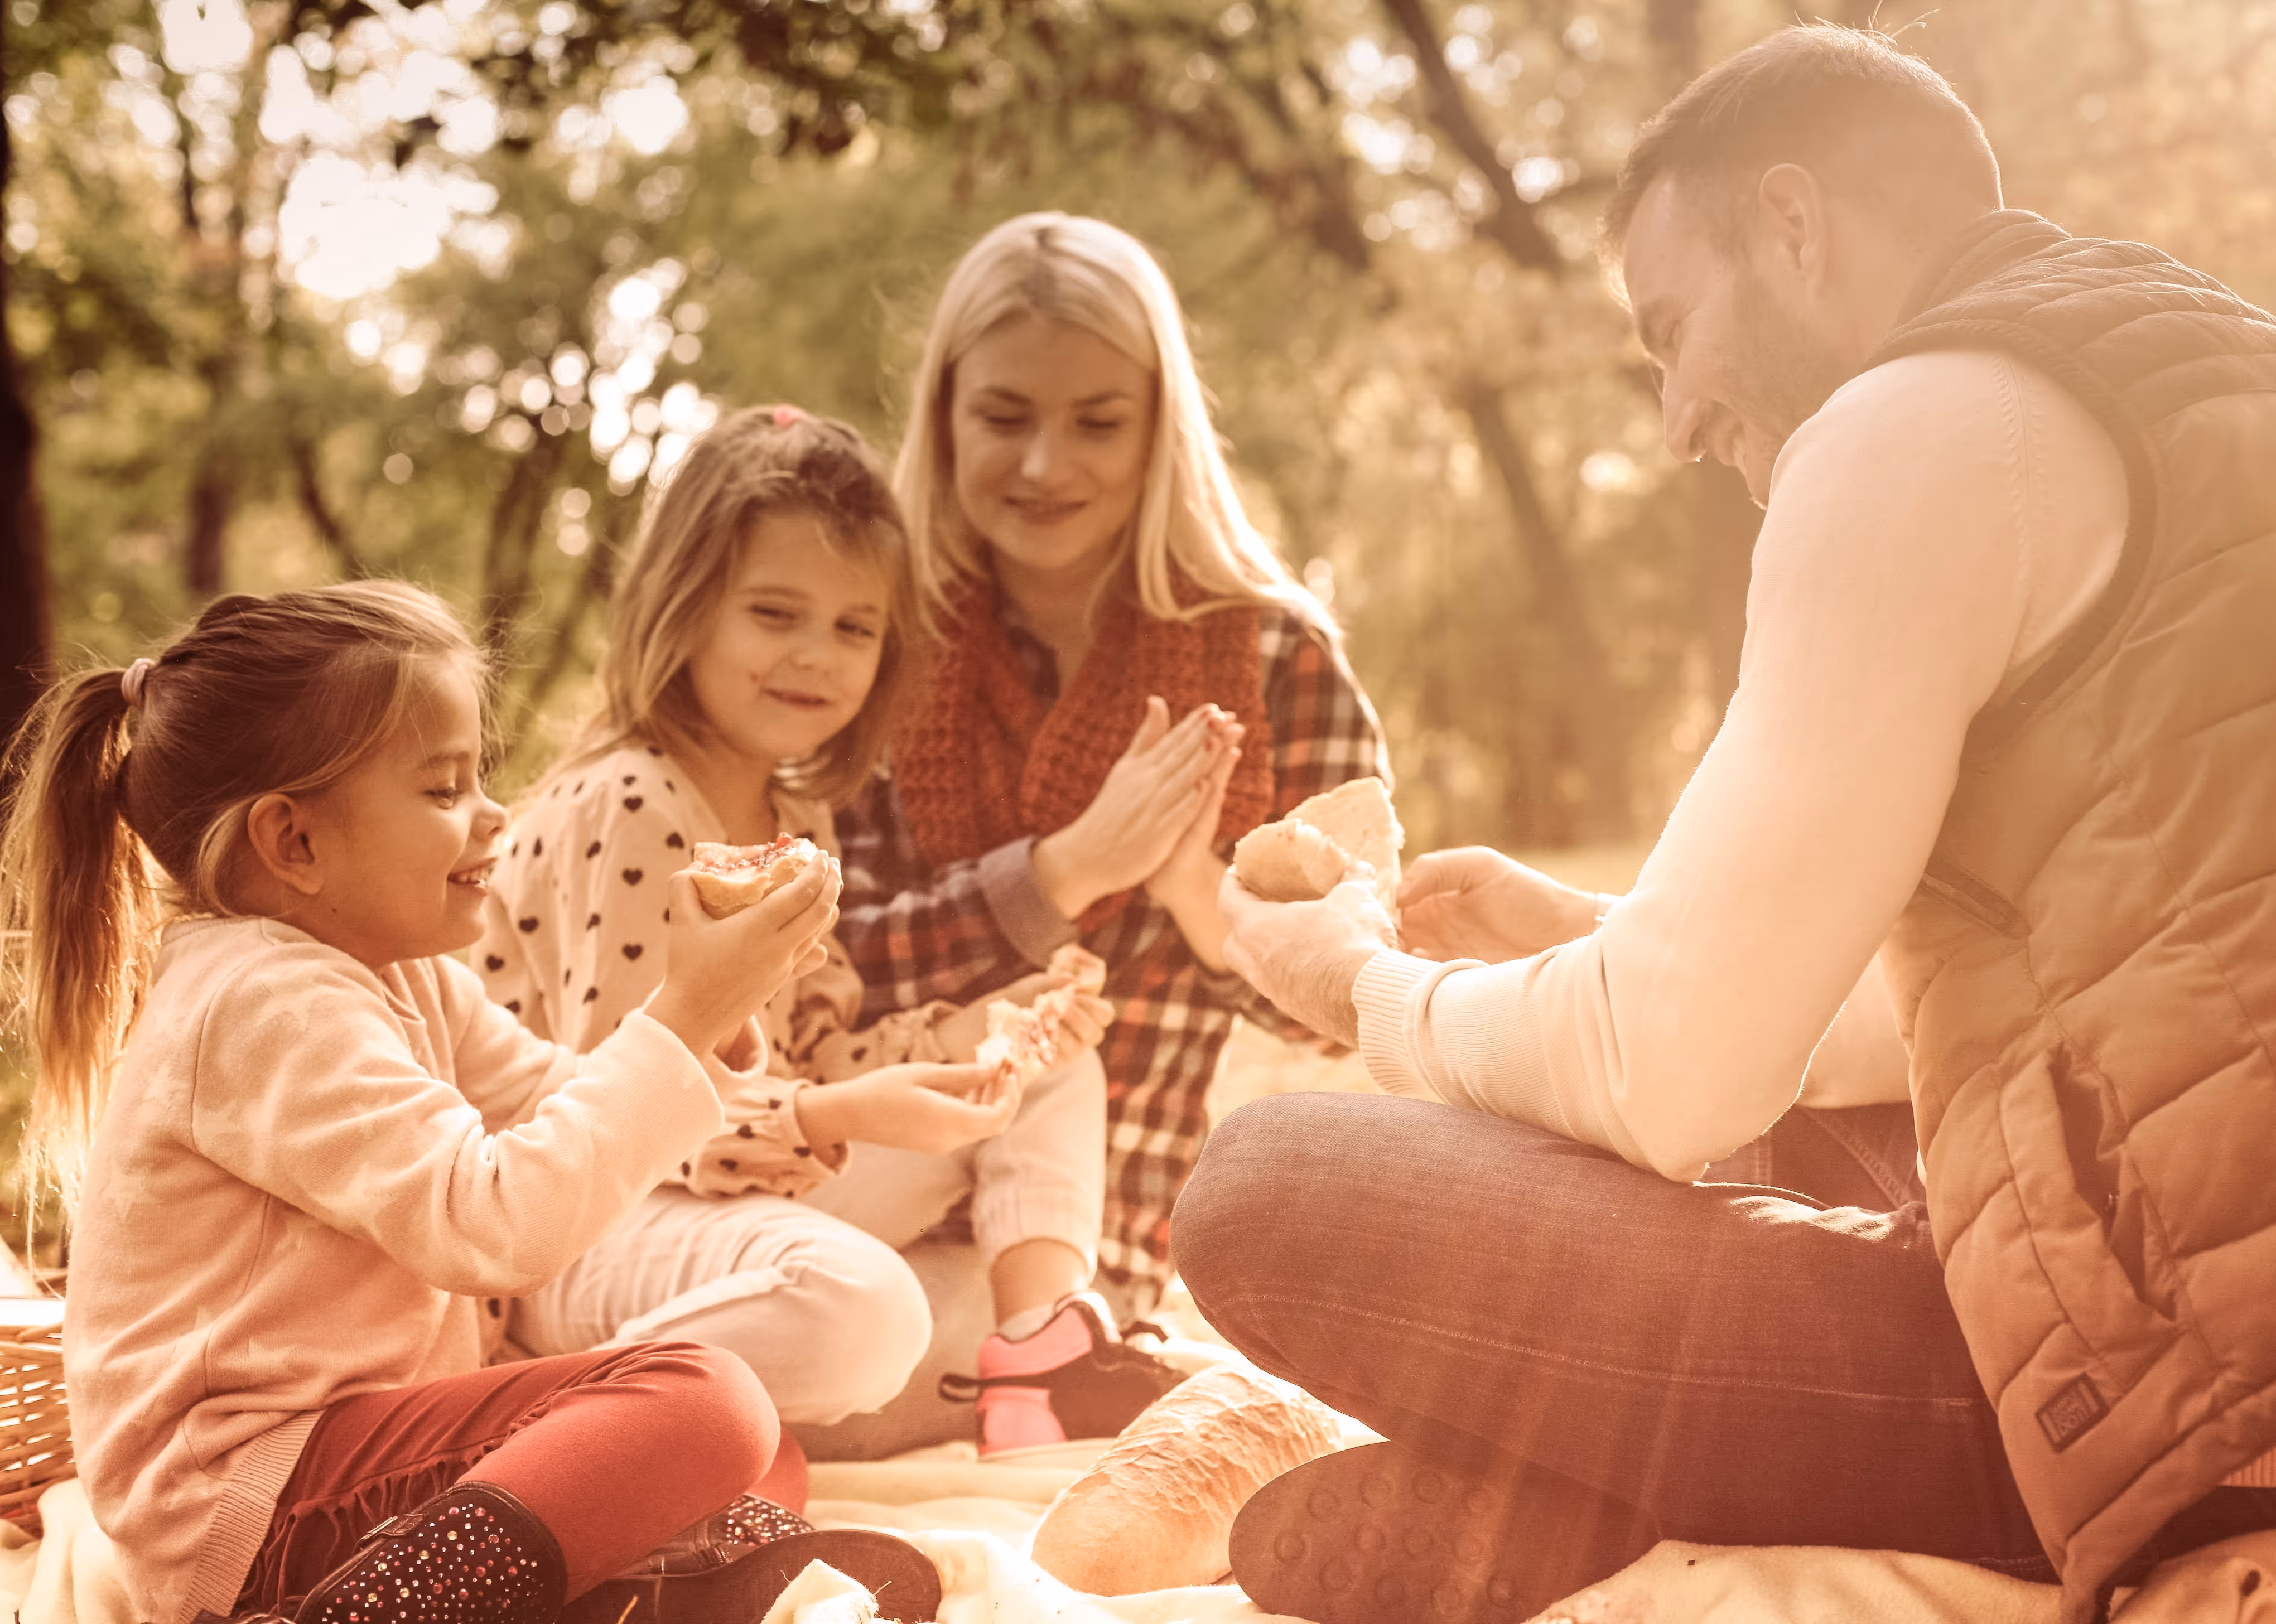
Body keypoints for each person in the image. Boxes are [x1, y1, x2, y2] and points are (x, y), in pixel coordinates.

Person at [1176, 24, 2276, 1624]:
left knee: (1271, 1186)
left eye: (1671, 332)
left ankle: (1671, 1521)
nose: (1675, 415)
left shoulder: (1920, 426)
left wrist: (1364, 993)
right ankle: (1625, 1522)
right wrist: (1605, 942)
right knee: (1735, 1120)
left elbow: (1677, 1074)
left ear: (1795, 225)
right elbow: (2103, 976)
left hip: (2254, 1408)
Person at [0, 582, 937, 1624]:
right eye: (446, 790)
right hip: (243, 1499)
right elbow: (491, 1225)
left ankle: (628, 1597)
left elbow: (560, 1100)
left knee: (758, 1450)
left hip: (356, 1470)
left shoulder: (392, 971)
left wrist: (712, 1020)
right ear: (294, 842)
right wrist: (679, 1016)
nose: (494, 816)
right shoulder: (258, 999)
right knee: (707, 1400)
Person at [477, 406, 1153, 1458]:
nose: (816, 658)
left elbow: (817, 1049)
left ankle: (1035, 1365)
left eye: (853, 627)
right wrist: (839, 1111)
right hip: (583, 1236)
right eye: (775, 614)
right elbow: (625, 1124)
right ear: (686, 610)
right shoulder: (629, 804)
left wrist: (967, 1029)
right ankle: (562, 1430)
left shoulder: (799, 819)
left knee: (1032, 1080)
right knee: (861, 1307)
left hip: (737, 1193)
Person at [833, 212, 1393, 1328]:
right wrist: (1060, 874)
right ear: (944, 416)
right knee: (802, 1316)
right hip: (852, 1187)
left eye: (1097, 422)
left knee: (860, 1341)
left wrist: (1195, 889)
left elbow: (1357, 1009)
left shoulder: (1277, 660)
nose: (1047, 465)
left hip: (1085, 1239)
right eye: (1003, 416)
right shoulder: (867, 638)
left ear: (1158, 430)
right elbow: (826, 965)